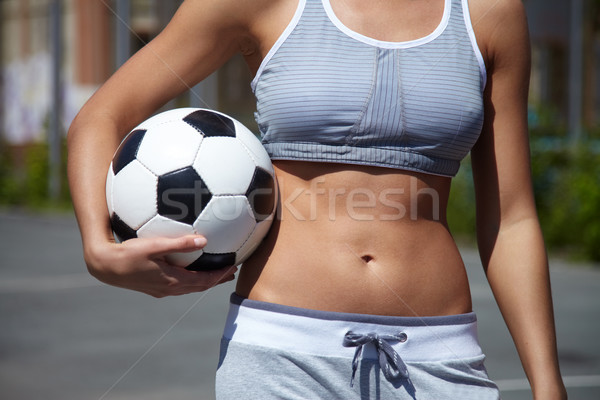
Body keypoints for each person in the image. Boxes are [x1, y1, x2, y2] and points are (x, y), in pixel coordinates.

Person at [67, 0, 567, 398]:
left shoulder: (490, 11)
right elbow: (103, 115)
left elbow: (512, 216)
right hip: (281, 356)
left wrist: (547, 385)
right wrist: (98, 247)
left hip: (437, 356)